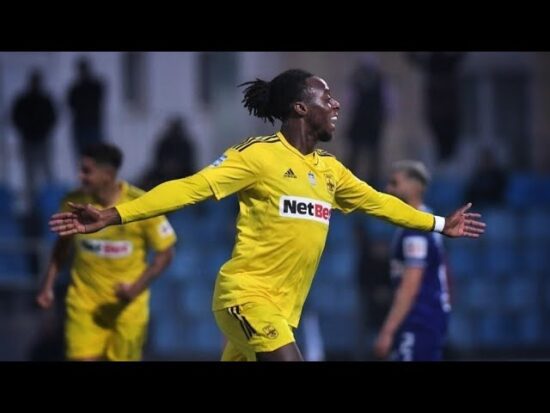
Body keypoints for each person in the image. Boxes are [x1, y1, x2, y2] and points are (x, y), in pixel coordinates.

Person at [49, 69, 485, 362]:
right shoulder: (258, 156)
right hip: (246, 297)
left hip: (284, 310)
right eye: (326, 98)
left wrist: (439, 224)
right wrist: (115, 214)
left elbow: (379, 202)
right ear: (300, 108)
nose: (336, 105)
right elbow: (191, 187)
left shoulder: (330, 171)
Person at [37, 143, 177, 361]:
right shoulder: (73, 203)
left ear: (107, 175)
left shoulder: (142, 205)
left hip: (127, 307)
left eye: (87, 171)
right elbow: (62, 246)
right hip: (84, 303)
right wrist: (48, 285)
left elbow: (166, 254)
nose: (80, 176)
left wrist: (135, 289)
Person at [374, 161, 451, 361]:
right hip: (427, 314)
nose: (388, 189)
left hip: (419, 316)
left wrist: (388, 330)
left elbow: (411, 283)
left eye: (395, 183)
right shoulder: (426, 219)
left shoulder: (417, 228)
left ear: (415, 186)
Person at [11, 69, 57, 209]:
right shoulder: (24, 100)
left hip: (41, 140)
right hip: (29, 140)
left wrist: (43, 130)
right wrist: (26, 129)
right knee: (30, 175)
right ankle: (32, 206)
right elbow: (16, 117)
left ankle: (49, 202)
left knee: (46, 172)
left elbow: (52, 117)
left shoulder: (44, 100)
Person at [67, 57, 105, 158]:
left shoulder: (94, 86)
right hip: (82, 126)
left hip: (92, 126)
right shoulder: (76, 89)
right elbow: (71, 105)